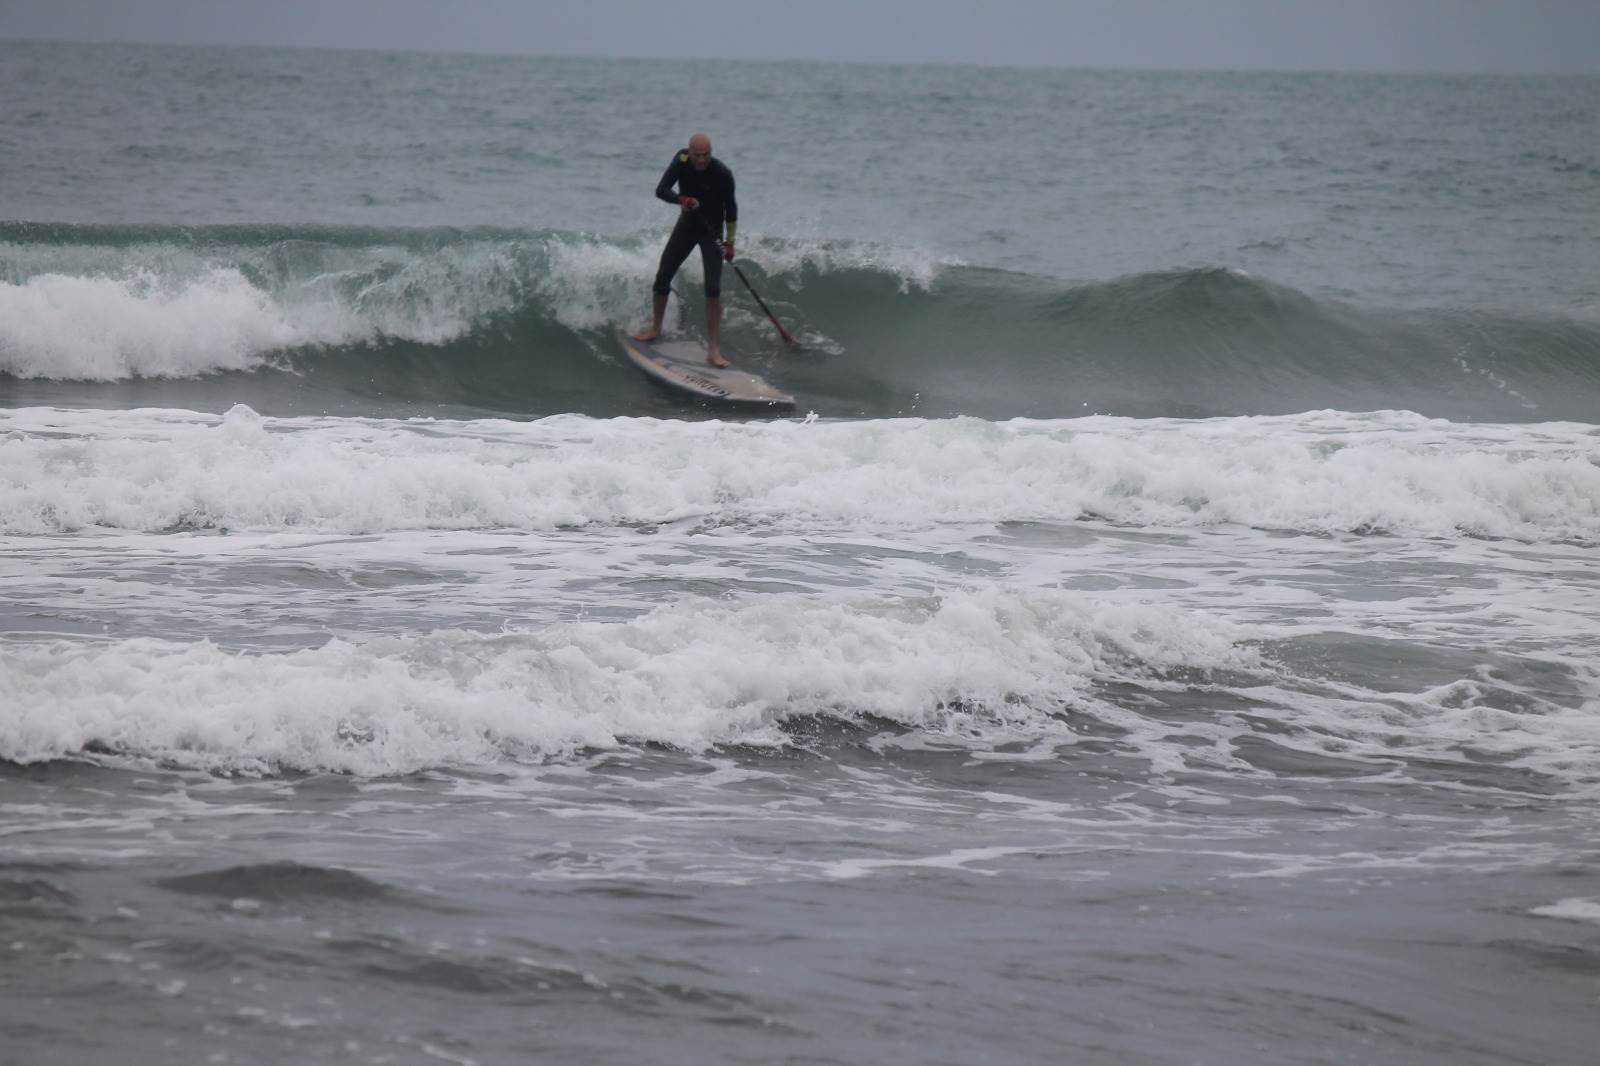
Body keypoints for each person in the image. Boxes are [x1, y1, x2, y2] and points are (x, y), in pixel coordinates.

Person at [633, 132, 737, 367]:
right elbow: (661, 190)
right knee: (663, 277)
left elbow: (731, 211)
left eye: (706, 155)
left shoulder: (723, 174)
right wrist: (682, 200)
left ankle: (713, 350)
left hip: (712, 234)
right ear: (689, 152)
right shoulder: (681, 160)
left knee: (713, 289)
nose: (701, 160)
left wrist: (730, 243)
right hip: (687, 228)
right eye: (697, 155)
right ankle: (656, 328)